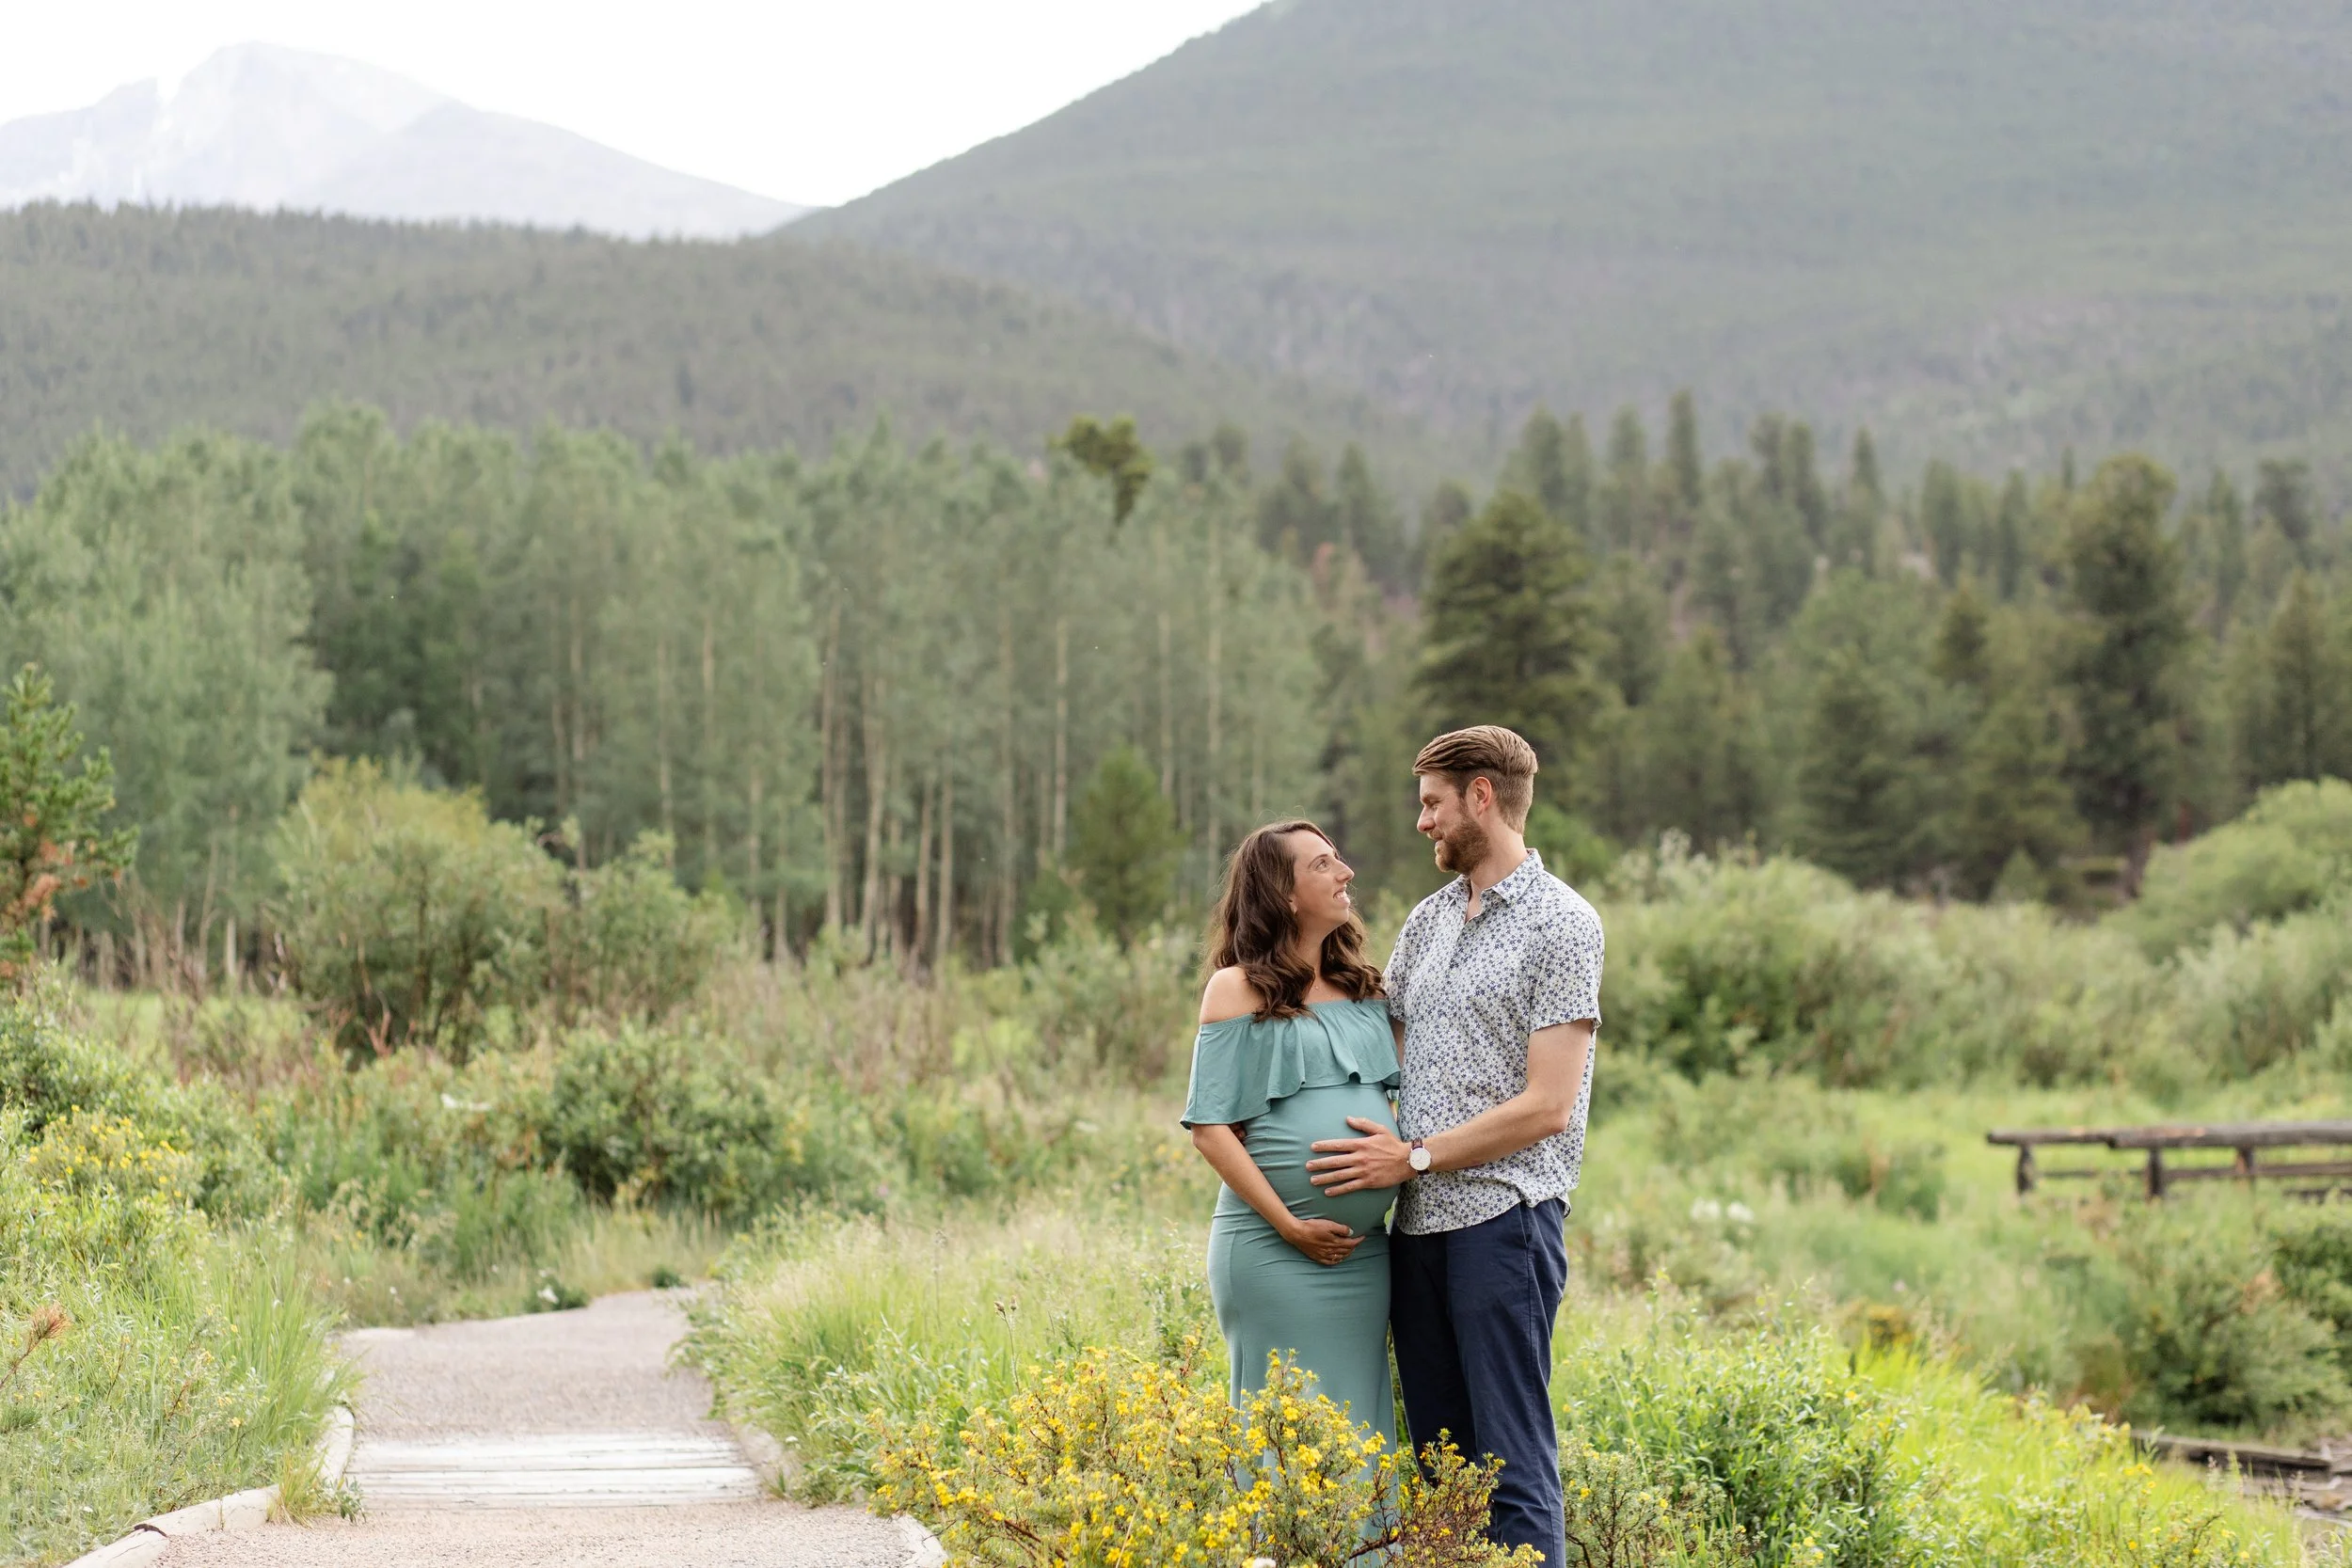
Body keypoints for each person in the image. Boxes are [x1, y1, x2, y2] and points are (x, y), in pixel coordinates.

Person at [1307, 725, 1603, 1563]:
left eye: (1433, 802)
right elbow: (1377, 1048)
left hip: (1504, 1223)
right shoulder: (1429, 921)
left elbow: (1548, 1104)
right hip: (1418, 1233)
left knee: (1509, 1464)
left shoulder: (1563, 923)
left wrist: (1416, 1155)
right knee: (1440, 1470)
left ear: (1482, 795)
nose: (1422, 822)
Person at [1182, 818, 1403, 1466]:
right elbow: (1209, 1127)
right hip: (1272, 1249)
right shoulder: (1234, 989)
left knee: (1358, 1435)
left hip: (1363, 1257)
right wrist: (1289, 1223)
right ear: (1283, 892)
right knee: (1283, 1433)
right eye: (1324, 864)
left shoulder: (1367, 991)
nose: (1346, 873)